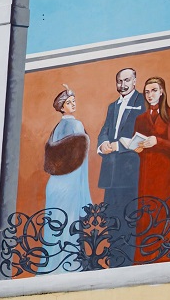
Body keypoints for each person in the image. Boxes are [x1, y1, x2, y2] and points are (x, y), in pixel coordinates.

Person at [97, 68, 146, 267]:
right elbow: (104, 130)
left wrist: (117, 146)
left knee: (130, 220)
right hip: (110, 176)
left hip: (131, 174)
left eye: (127, 80)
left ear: (135, 81)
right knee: (112, 220)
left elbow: (142, 136)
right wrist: (103, 144)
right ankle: (115, 264)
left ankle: (128, 265)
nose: (123, 85)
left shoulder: (142, 102)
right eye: (119, 81)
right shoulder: (112, 106)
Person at [133, 77, 170, 263]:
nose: (150, 95)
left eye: (154, 90)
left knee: (165, 208)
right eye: (147, 92)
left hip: (164, 169)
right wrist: (137, 147)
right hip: (146, 169)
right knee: (146, 209)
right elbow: (137, 143)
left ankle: (167, 253)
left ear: (162, 91)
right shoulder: (140, 118)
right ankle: (146, 254)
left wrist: (157, 141)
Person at [41, 85, 92, 274]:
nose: (73, 104)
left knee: (55, 225)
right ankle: (69, 265)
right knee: (69, 222)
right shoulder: (76, 125)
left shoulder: (56, 129)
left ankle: (52, 266)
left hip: (55, 185)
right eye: (69, 102)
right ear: (62, 107)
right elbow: (79, 161)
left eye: (74, 101)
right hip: (69, 184)